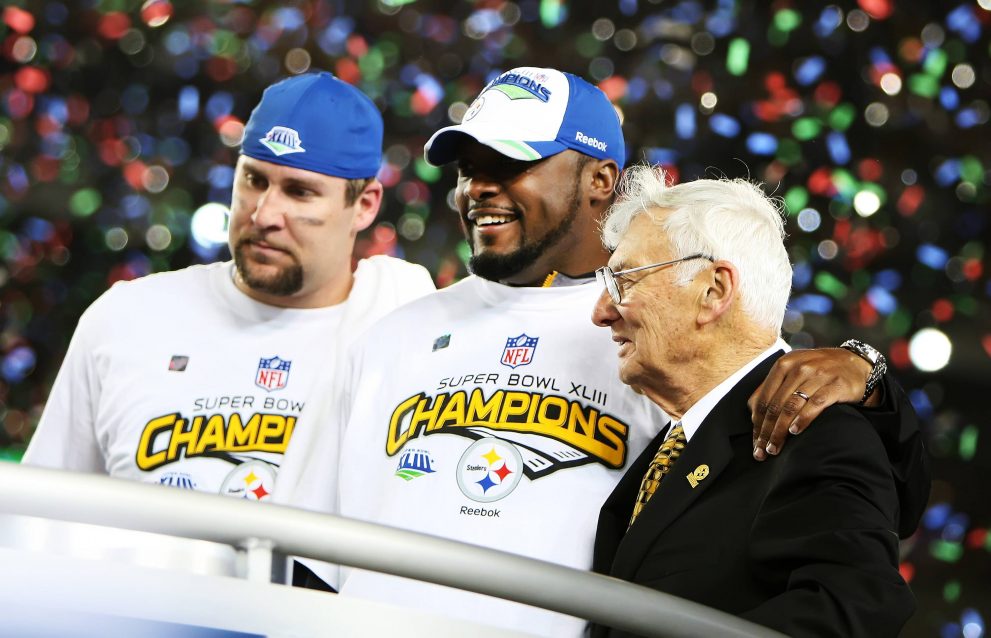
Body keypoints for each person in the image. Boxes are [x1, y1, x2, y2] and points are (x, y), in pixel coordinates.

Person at [278, 66, 927, 635]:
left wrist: (865, 371)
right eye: (468, 168)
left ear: (599, 178)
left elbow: (800, 425)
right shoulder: (395, 335)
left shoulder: (661, 332)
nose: (476, 186)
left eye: (509, 163)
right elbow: (309, 557)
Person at [22, 72, 435, 501]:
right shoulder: (126, 320)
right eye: (254, 181)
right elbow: (38, 516)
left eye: (299, 192)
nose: (264, 214)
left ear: (364, 207)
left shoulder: (401, 334)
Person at [590, 167, 916, 637]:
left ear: (714, 291)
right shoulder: (676, 443)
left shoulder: (816, 430)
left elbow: (852, 611)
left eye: (624, 279)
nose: (600, 311)